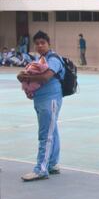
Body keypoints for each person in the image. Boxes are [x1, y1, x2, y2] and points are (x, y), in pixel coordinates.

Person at [17, 31, 65, 181]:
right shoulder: (40, 60)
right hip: (41, 100)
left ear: (48, 43)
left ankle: (41, 169)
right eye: (37, 43)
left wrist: (25, 76)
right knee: (52, 130)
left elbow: (45, 77)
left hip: (50, 99)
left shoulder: (53, 59)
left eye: (42, 43)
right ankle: (51, 164)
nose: (39, 45)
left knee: (46, 134)